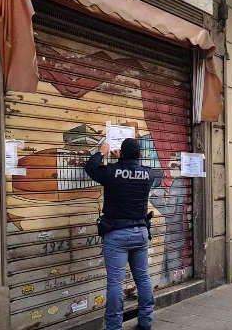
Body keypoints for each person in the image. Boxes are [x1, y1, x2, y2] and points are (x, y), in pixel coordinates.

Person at [85, 138, 157, 330]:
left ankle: (114, 327)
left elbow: (91, 168)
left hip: (117, 234)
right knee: (143, 278)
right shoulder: (149, 175)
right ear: (140, 155)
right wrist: (124, 161)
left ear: (122, 153)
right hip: (141, 232)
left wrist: (102, 152)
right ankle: (146, 322)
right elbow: (133, 172)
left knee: (115, 283)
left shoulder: (111, 172)